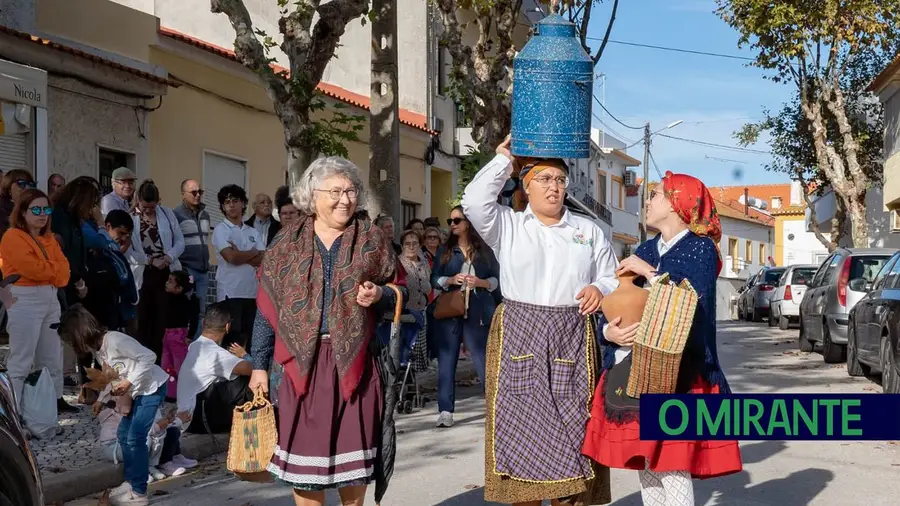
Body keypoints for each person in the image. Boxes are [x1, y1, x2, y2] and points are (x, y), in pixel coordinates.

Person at [461, 136, 618, 505]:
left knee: (574, 428)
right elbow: (473, 201)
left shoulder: (588, 231)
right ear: (526, 186)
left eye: (560, 180)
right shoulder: (508, 226)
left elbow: (612, 276)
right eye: (544, 179)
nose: (554, 187)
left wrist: (599, 287)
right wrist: (505, 160)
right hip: (519, 335)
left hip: (570, 336)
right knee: (522, 431)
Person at [582, 171, 743, 506]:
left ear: (675, 202)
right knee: (648, 464)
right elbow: (617, 302)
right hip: (639, 373)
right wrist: (609, 332)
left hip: (683, 373)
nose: (648, 201)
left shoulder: (700, 250)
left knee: (673, 466)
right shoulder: (645, 248)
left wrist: (648, 272)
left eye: (655, 194)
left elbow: (690, 303)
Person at [250, 156, 403, 505]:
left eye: (350, 191)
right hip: (300, 369)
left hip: (356, 366)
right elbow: (266, 307)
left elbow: (405, 293)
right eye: (335, 192)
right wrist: (258, 365)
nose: (345, 200)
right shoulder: (285, 244)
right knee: (306, 473)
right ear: (312, 194)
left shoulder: (372, 239)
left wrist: (381, 294)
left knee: (354, 469)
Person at [58, 304, 169, 506]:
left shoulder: (115, 340)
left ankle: (139, 491)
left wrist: (129, 382)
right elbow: (112, 376)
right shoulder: (99, 350)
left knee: (136, 437)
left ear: (79, 335)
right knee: (123, 435)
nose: (71, 346)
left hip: (151, 388)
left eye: (70, 340)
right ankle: (131, 481)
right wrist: (101, 399)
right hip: (136, 391)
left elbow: (149, 356)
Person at [0, 188, 74, 412]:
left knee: (51, 356)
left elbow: (64, 274)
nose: (42, 214)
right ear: (23, 212)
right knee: (22, 359)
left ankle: (50, 407)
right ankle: (13, 411)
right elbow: (32, 269)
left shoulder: (49, 238)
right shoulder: (12, 237)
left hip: (50, 297)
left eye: (46, 210)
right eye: (36, 210)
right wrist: (53, 270)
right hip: (25, 299)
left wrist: (50, 271)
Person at [430, 205, 500, 428]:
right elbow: (434, 279)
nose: (452, 224)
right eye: (450, 221)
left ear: (468, 223)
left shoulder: (485, 249)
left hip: (479, 309)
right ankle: (445, 411)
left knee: (482, 358)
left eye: (457, 220)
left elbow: (497, 280)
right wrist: (450, 280)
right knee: (447, 359)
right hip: (451, 308)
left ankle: (493, 408)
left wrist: (481, 282)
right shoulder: (445, 250)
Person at [176, 302, 253, 434]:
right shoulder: (215, 354)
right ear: (227, 326)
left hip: (191, 416)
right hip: (198, 420)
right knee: (248, 382)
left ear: (203, 322)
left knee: (231, 379)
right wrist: (244, 355)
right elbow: (254, 369)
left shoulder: (196, 345)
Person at [132, 180, 185, 362]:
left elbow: (180, 242)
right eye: (144, 207)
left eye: (152, 207)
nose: (148, 211)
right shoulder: (131, 217)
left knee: (161, 319)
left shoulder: (167, 214)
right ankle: (143, 360)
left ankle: (159, 360)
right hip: (143, 272)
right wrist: (149, 260)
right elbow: (128, 251)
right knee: (143, 319)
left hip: (165, 271)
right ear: (138, 200)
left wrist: (168, 257)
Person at [211, 184, 262, 349]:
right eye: (227, 202)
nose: (231, 205)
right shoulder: (221, 230)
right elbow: (230, 257)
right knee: (231, 339)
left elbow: (263, 259)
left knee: (249, 339)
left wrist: (240, 253)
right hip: (230, 292)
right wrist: (251, 253)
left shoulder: (253, 232)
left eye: (235, 201)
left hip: (251, 292)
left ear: (243, 203)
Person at [173, 179, 211, 339]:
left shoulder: (205, 215)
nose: (197, 195)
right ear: (183, 194)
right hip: (187, 268)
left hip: (203, 269)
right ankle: (182, 343)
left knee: (201, 311)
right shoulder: (176, 215)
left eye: (200, 192)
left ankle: (196, 344)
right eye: (193, 192)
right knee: (187, 309)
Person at [160, 270, 199, 402]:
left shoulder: (189, 300)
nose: (167, 283)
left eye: (171, 281)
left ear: (179, 288)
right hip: (167, 334)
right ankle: (171, 393)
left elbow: (194, 319)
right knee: (166, 365)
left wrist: (190, 335)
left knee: (180, 366)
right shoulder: (167, 297)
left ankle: (184, 392)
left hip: (179, 335)